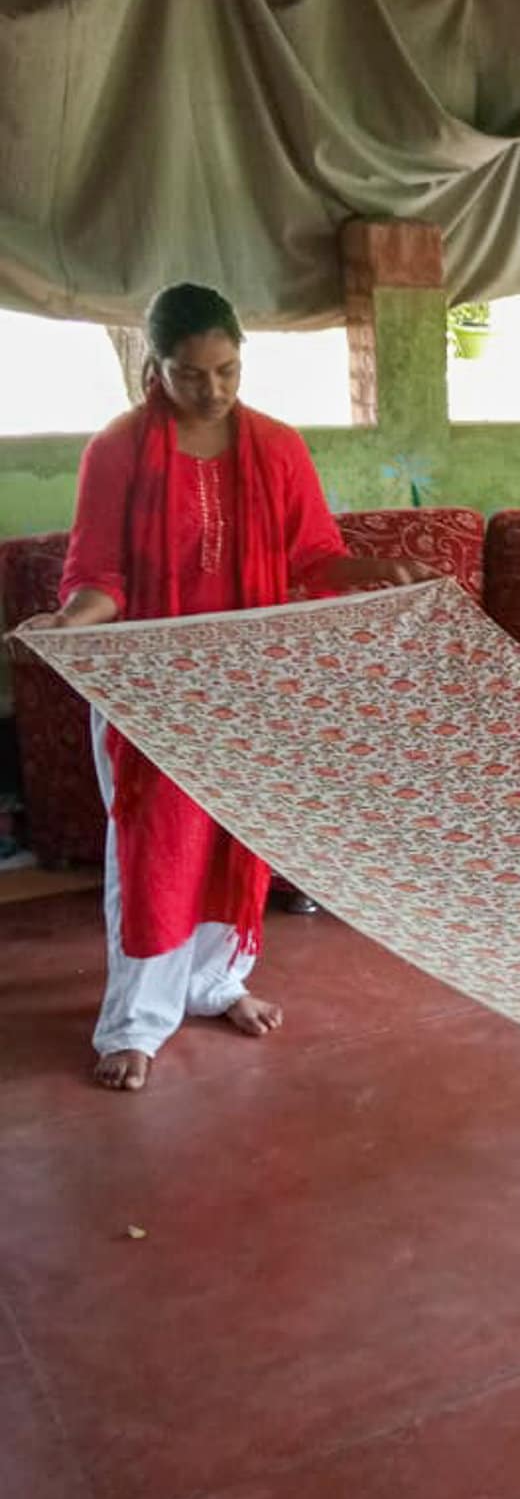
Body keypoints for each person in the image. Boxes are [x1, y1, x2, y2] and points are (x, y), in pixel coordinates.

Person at [9, 283, 435, 1093]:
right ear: (153, 367)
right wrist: (72, 624)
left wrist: (376, 570)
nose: (212, 390)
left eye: (228, 370)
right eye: (190, 374)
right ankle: (136, 1022)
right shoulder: (118, 450)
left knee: (238, 837)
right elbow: (100, 575)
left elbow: (313, 556)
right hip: (151, 689)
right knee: (154, 848)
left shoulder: (275, 447)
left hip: (249, 684)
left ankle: (214, 985)